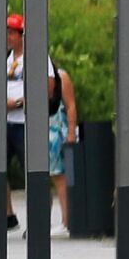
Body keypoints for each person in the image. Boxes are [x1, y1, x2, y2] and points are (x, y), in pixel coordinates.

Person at [0, 14, 58, 234]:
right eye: (7, 33)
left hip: (28, 123)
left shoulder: (38, 58)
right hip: (7, 122)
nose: (8, 37)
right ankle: (8, 215)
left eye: (12, 33)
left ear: (22, 35)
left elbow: (48, 89)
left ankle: (40, 220)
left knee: (35, 173)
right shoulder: (6, 59)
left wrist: (20, 102)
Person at [49, 64, 80, 236]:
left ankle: (67, 221)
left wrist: (70, 133)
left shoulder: (61, 76)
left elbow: (70, 105)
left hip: (58, 131)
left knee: (60, 177)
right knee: (51, 177)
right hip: (45, 132)